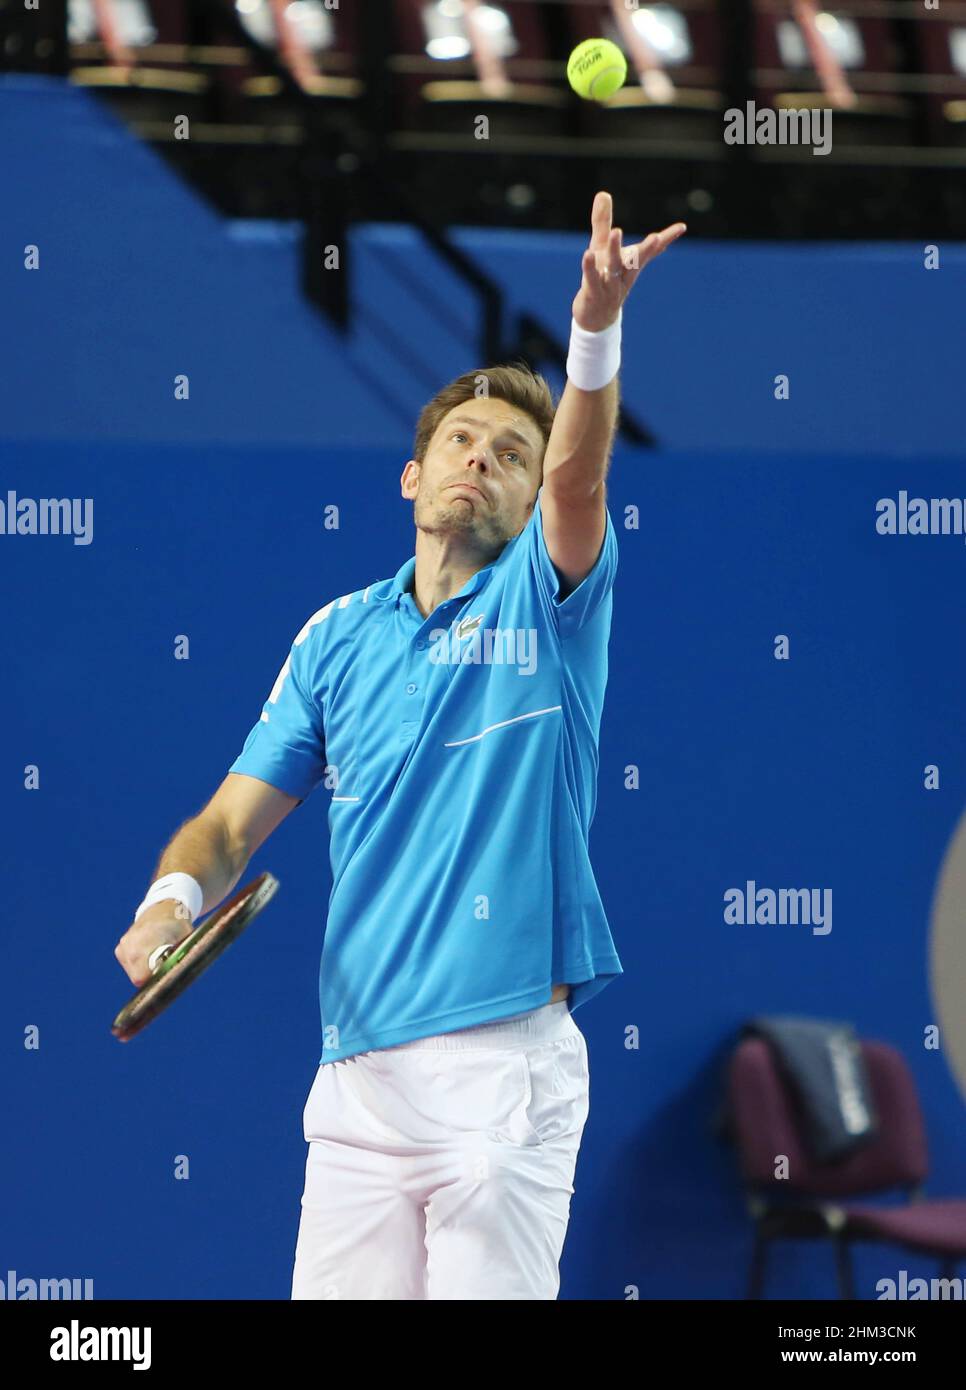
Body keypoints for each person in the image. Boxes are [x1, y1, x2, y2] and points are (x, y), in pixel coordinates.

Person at [114, 192, 685, 1299]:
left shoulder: (549, 597)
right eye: (460, 442)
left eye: (510, 454)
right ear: (413, 478)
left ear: (527, 504)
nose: (483, 460)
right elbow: (232, 823)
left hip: (501, 1070)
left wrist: (595, 329)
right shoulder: (334, 637)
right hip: (358, 1079)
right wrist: (170, 902)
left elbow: (581, 477)